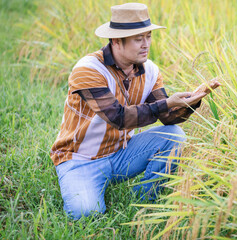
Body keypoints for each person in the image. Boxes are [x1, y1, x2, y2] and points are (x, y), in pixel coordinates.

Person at [50, 3, 209, 220]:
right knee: (87, 214)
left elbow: (167, 117)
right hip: (80, 160)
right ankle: (82, 185)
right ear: (116, 41)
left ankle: (144, 205)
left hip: (121, 154)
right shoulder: (88, 70)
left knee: (174, 136)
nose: (146, 45)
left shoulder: (150, 70)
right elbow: (118, 117)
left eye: (148, 37)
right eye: (138, 39)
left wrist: (191, 102)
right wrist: (168, 103)